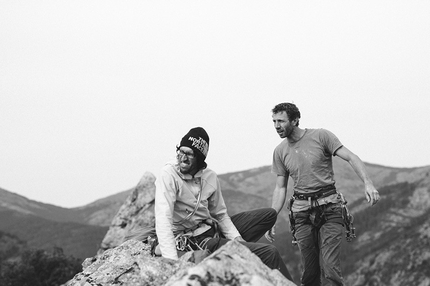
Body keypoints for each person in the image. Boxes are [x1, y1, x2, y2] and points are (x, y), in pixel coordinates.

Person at [154, 127, 292, 280]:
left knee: (269, 215)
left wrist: (236, 239)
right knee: (269, 253)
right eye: (180, 151)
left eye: (189, 154)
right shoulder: (169, 175)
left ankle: (235, 251)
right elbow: (163, 219)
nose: (182, 157)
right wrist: (173, 265)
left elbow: (220, 215)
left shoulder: (210, 177)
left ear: (199, 158)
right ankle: (237, 255)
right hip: (194, 240)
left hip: (212, 229)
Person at [265, 103, 380, 286]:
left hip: (329, 208)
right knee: (310, 272)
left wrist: (368, 182)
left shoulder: (321, 136)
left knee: (330, 268)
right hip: (301, 213)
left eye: (281, 121)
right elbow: (280, 188)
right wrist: (271, 217)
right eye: (274, 121)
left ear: (295, 120)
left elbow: (351, 157)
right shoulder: (280, 151)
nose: (276, 126)